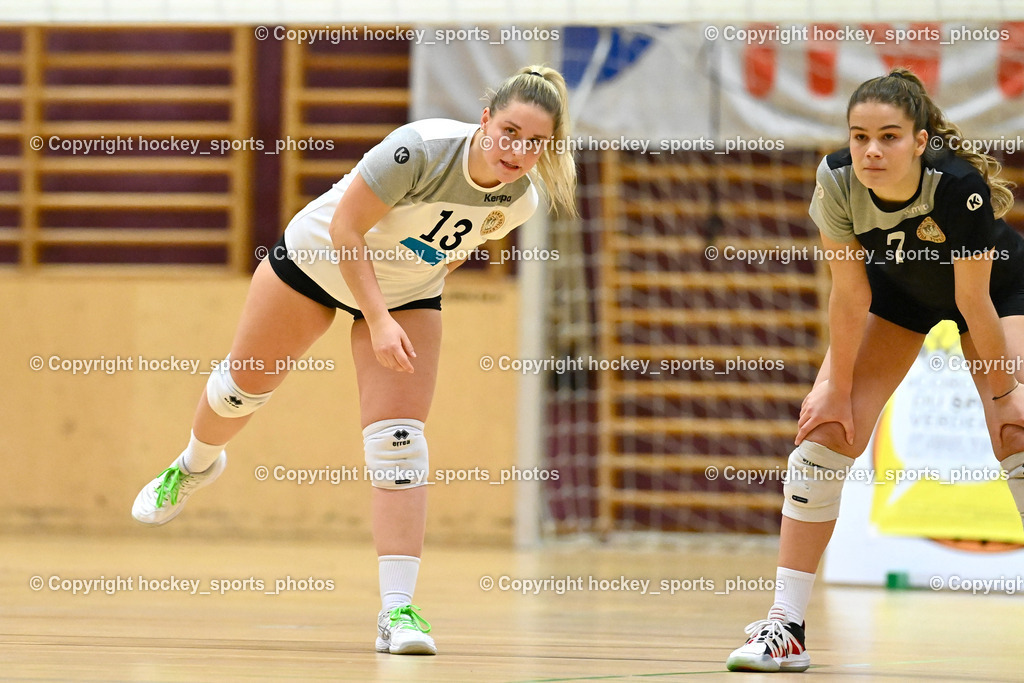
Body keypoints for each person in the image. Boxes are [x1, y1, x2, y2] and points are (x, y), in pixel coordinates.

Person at [131, 65, 577, 656]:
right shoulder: (417, 150)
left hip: (405, 291)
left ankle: (399, 612)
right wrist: (378, 319)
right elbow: (346, 228)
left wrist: (405, 300)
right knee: (239, 390)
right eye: (510, 131)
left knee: (399, 443)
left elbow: (454, 249)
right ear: (486, 117)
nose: (518, 151)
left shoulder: (520, 200)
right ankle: (193, 464)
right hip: (317, 260)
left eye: (535, 142)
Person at [726, 68, 1024, 672]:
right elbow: (848, 294)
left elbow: (973, 303)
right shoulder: (835, 180)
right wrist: (834, 388)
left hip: (998, 291)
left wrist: (1007, 396)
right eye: (860, 136)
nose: (871, 150)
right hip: (899, 298)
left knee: (1018, 435)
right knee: (822, 440)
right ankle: (785, 627)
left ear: (920, 141)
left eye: (889, 136)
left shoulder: (957, 185)